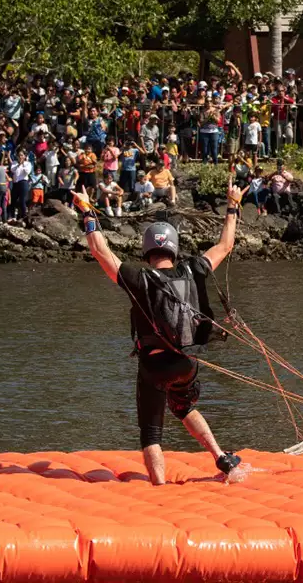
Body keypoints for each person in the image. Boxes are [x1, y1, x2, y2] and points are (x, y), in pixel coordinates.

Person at [73, 180, 244, 486]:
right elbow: (225, 246)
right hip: (186, 363)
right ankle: (221, 457)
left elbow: (100, 250)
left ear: (147, 248)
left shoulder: (138, 277)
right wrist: (232, 204)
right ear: (173, 248)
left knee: (151, 431)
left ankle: (160, 489)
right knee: (183, 406)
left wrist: (87, 211)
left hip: (154, 365)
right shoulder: (194, 269)